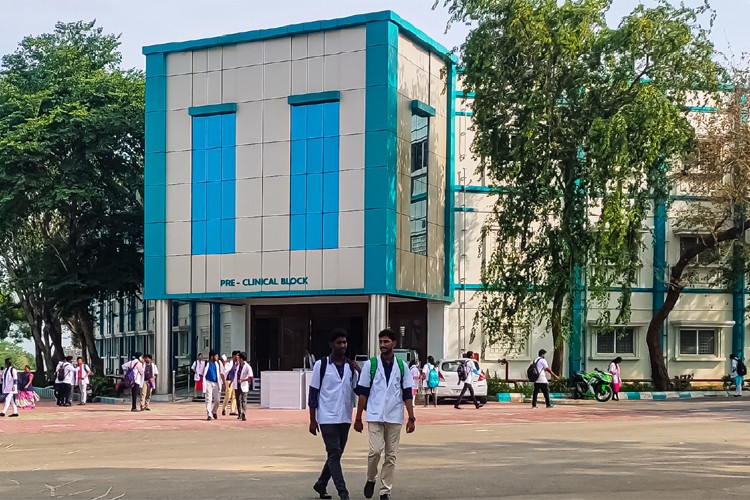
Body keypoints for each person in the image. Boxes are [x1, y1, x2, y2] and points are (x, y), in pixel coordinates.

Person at [354, 328, 415, 500]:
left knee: (391, 455)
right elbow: (363, 393)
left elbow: (407, 393)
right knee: (374, 451)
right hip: (374, 415)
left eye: (386, 342)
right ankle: (371, 478)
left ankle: (385, 490)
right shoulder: (370, 365)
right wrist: (358, 418)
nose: (383, 345)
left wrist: (411, 418)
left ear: (394, 344)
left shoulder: (402, 367)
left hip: (395, 416)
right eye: (381, 342)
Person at [308, 329, 360, 500]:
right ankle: (343, 493)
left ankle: (321, 484)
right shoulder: (321, 365)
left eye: (345, 342)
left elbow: (357, 390)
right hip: (327, 417)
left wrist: (358, 370)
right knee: (334, 452)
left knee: (335, 455)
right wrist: (312, 420)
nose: (343, 346)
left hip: (344, 416)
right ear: (331, 345)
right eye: (339, 342)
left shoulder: (350, 367)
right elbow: (313, 393)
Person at [203, 350, 225, 421]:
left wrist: (224, 383)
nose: (217, 357)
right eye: (216, 356)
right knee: (208, 399)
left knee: (217, 400)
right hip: (208, 382)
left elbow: (222, 373)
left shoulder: (218, 363)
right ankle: (209, 414)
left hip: (216, 383)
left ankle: (214, 411)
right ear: (211, 357)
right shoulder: (206, 363)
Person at [233, 351, 253, 421]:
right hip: (237, 385)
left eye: (239, 357)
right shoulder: (238, 365)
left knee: (244, 400)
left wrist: (242, 380)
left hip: (243, 385)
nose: (237, 358)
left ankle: (243, 413)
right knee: (238, 400)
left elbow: (250, 378)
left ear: (241, 359)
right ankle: (240, 413)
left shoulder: (248, 367)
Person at [221, 351, 238, 416]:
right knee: (228, 395)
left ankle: (232, 410)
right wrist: (223, 383)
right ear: (233, 356)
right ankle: (224, 408)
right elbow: (224, 372)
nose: (237, 357)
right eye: (236, 355)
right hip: (228, 381)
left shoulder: (237, 364)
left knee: (234, 396)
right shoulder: (229, 364)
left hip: (234, 381)